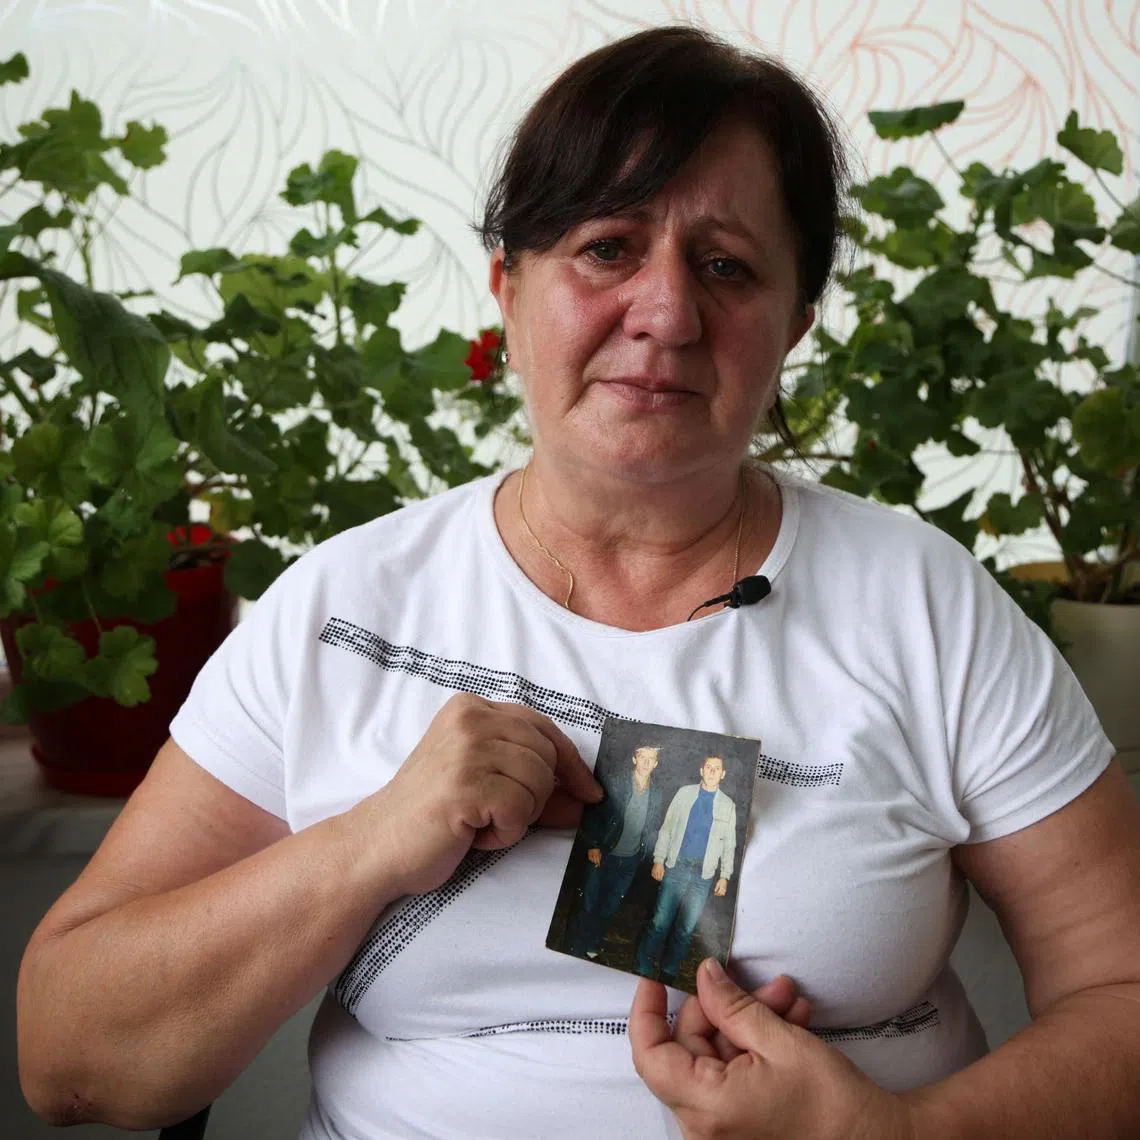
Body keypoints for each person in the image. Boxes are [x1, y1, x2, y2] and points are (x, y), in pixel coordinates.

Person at [16, 23, 1140, 1140]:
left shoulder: (930, 610)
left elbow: (1122, 999)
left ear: (793, 326)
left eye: (726, 265)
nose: (665, 314)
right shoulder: (342, 612)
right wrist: (371, 842)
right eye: (607, 247)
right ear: (509, 289)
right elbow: (66, 1062)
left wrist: (891, 1139)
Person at [636, 755, 736, 983]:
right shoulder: (684, 793)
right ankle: (642, 968)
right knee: (660, 922)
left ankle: (668, 973)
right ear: (702, 770)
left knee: (686, 929)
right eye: (708, 767)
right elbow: (667, 828)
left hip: (704, 875)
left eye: (717, 769)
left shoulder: (728, 806)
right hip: (677, 867)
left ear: (723, 774)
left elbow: (729, 844)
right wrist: (659, 859)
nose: (712, 772)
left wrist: (725, 876)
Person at [566, 744, 664, 960]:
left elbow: (654, 827)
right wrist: (593, 844)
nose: (647, 762)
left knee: (610, 907)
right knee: (588, 903)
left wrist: (651, 856)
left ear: (656, 764)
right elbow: (594, 812)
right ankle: (575, 946)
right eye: (643, 757)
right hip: (603, 854)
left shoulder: (657, 794)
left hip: (629, 862)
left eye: (652, 759)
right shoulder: (617, 783)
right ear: (634, 759)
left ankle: (593, 944)